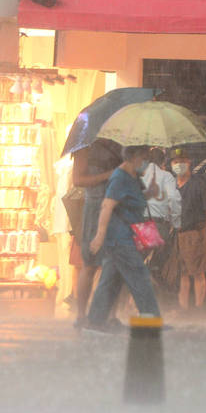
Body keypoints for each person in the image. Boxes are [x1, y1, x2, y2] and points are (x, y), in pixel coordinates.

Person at [86, 145, 161, 331]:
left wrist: (150, 192)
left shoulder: (133, 178)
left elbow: (133, 200)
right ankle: (150, 320)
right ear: (133, 157)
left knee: (110, 281)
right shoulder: (120, 178)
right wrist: (99, 236)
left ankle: (95, 322)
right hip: (120, 238)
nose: (146, 162)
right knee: (140, 277)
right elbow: (107, 205)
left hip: (124, 236)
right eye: (144, 157)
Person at [71, 138, 124, 327]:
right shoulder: (84, 145)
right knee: (91, 263)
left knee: (116, 265)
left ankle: (111, 316)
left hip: (118, 207)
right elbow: (78, 180)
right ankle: (81, 315)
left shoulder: (121, 144)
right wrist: (109, 175)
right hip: (95, 208)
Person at [163, 147, 206, 310]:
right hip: (177, 234)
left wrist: (202, 229)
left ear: (189, 162)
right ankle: (183, 308)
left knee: (198, 273)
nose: (179, 164)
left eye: (182, 161)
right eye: (175, 162)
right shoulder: (171, 186)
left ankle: (199, 308)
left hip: (194, 234)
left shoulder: (198, 184)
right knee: (182, 274)